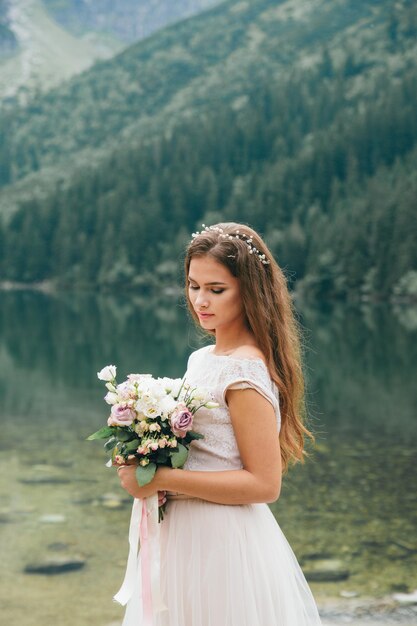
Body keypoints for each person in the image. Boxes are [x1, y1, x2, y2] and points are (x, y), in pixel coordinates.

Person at [117, 222, 322, 626]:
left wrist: (160, 480)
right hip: (182, 536)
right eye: (194, 286)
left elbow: (265, 484)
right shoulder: (202, 358)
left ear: (249, 290)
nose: (200, 301)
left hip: (223, 543)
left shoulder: (244, 371)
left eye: (216, 289)